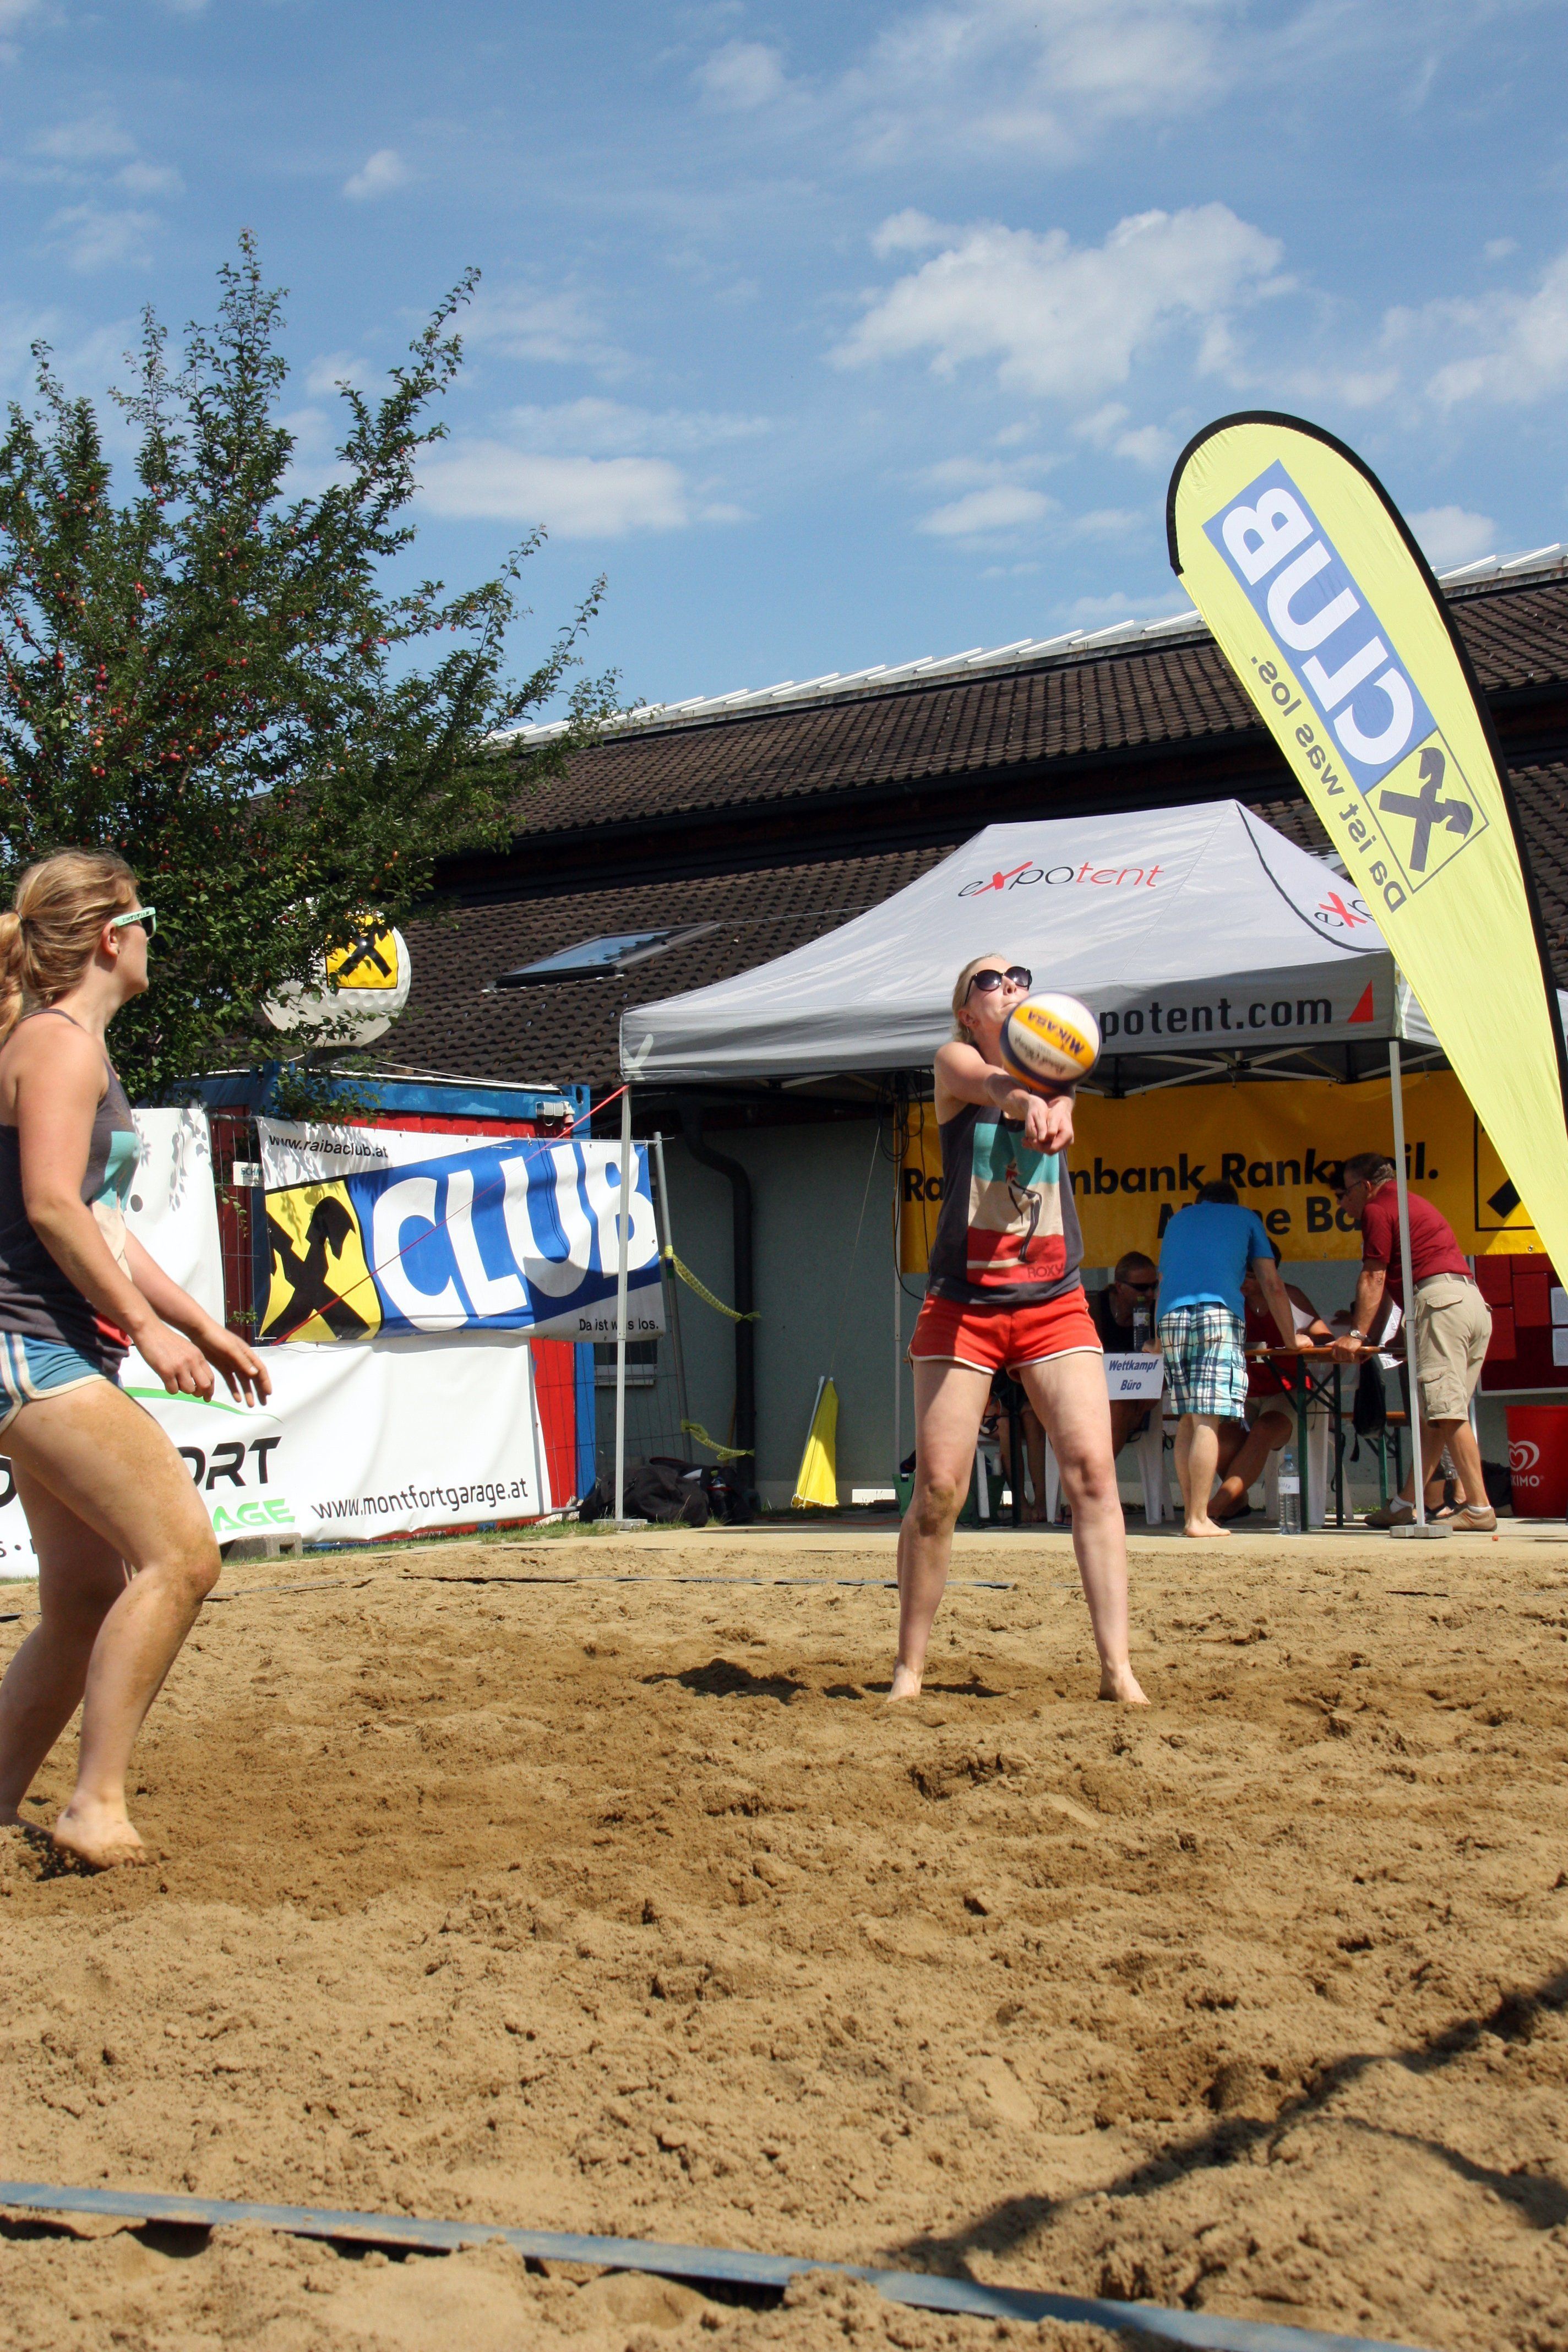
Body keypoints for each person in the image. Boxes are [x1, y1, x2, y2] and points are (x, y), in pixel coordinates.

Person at [0, 851, 271, 1869]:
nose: (154, 936)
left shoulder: (76, 1048)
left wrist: (196, 1324)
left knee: (81, 1600)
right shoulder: (57, 1044)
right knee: (182, 1556)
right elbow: (50, 1206)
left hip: (49, 1343)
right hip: (28, 1342)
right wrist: (146, 1332)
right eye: (147, 917)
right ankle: (95, 1805)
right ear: (113, 936)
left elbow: (105, 1222)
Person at [891, 954, 1146, 1705]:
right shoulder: (954, 1063)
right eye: (989, 979)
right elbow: (994, 1086)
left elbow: (1055, 1095)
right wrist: (1026, 1097)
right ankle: (909, 1669)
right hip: (963, 1304)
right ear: (966, 1012)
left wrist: (1056, 1104)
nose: (1008, 984)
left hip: (1051, 1301)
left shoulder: (1058, 1071)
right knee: (939, 1490)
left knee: (1092, 1473)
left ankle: (1117, 1670)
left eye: (1019, 976)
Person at [1329, 1151, 1495, 1531]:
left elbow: (1374, 1275)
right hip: (1469, 1303)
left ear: (1366, 1186)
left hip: (1440, 1306)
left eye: (1345, 1192)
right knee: (1434, 1418)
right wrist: (1374, 1337)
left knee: (1445, 1412)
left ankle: (1479, 1507)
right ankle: (1406, 1503)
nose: (1342, 1203)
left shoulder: (1377, 1209)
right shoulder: (1410, 1203)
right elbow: (1392, 1284)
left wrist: (1356, 1336)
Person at [1155, 1180, 1308, 1537]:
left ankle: (1191, 1515)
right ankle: (1199, 1519)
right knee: (1207, 1420)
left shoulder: (1178, 1221)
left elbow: (1164, 1283)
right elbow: (1272, 1283)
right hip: (1217, 1314)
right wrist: (1291, 1339)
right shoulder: (1245, 1218)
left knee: (1187, 1420)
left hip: (1171, 1317)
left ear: (1200, 1202)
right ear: (1232, 1202)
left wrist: (1158, 1338)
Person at [1211, 1248, 1333, 1520]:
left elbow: (1325, 1338)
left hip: (1288, 1390)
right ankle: (1236, 1501)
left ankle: (1216, 1507)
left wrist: (1306, 1339)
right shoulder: (1231, 1298)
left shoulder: (1289, 1296)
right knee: (1222, 1439)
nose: (1243, 1281)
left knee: (1264, 1430)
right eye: (1239, 1273)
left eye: (1250, 1275)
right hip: (1246, 1391)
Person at [1088, 1251, 1161, 1457]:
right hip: (1095, 1394)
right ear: (1120, 1287)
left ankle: (1100, 1472)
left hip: (1135, 1400)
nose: (1150, 1294)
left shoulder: (1156, 1311)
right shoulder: (1096, 1307)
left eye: (1154, 1286)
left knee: (1120, 1405)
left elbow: (1166, 1366)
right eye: (1141, 1288)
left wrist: (1153, 1387)